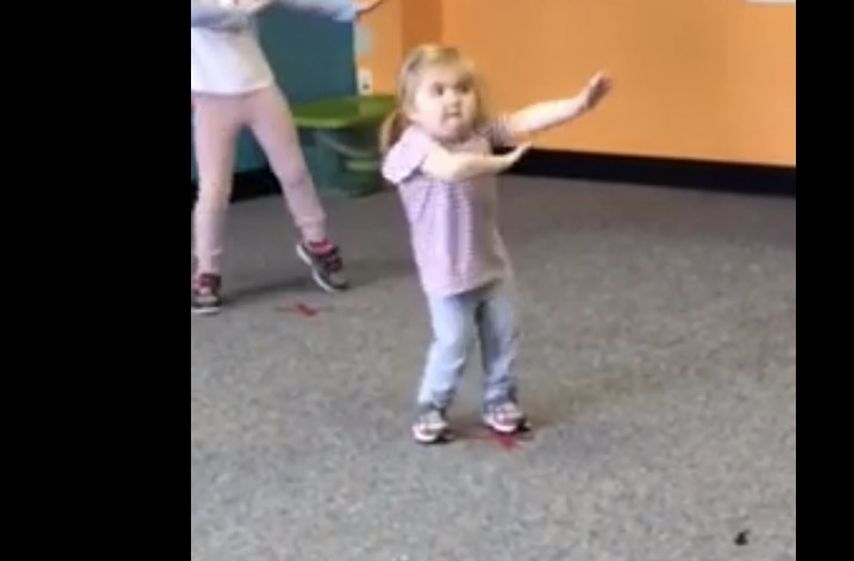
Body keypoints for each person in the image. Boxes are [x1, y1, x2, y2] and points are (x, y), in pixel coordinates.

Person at [380, 44, 612, 443]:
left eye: (463, 88)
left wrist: (578, 105)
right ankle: (433, 404)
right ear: (412, 109)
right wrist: (499, 163)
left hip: (491, 262)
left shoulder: (480, 134)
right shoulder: (413, 147)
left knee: (503, 335)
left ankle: (499, 399)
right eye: (438, 91)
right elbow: (451, 169)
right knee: (453, 342)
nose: (454, 99)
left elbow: (526, 118)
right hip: (447, 272)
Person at [190, 0, 387, 314]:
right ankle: (206, 271)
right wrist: (247, 8)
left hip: (261, 90)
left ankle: (317, 243)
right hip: (211, 99)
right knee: (214, 190)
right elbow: (211, 16)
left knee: (294, 172)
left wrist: (350, 7)